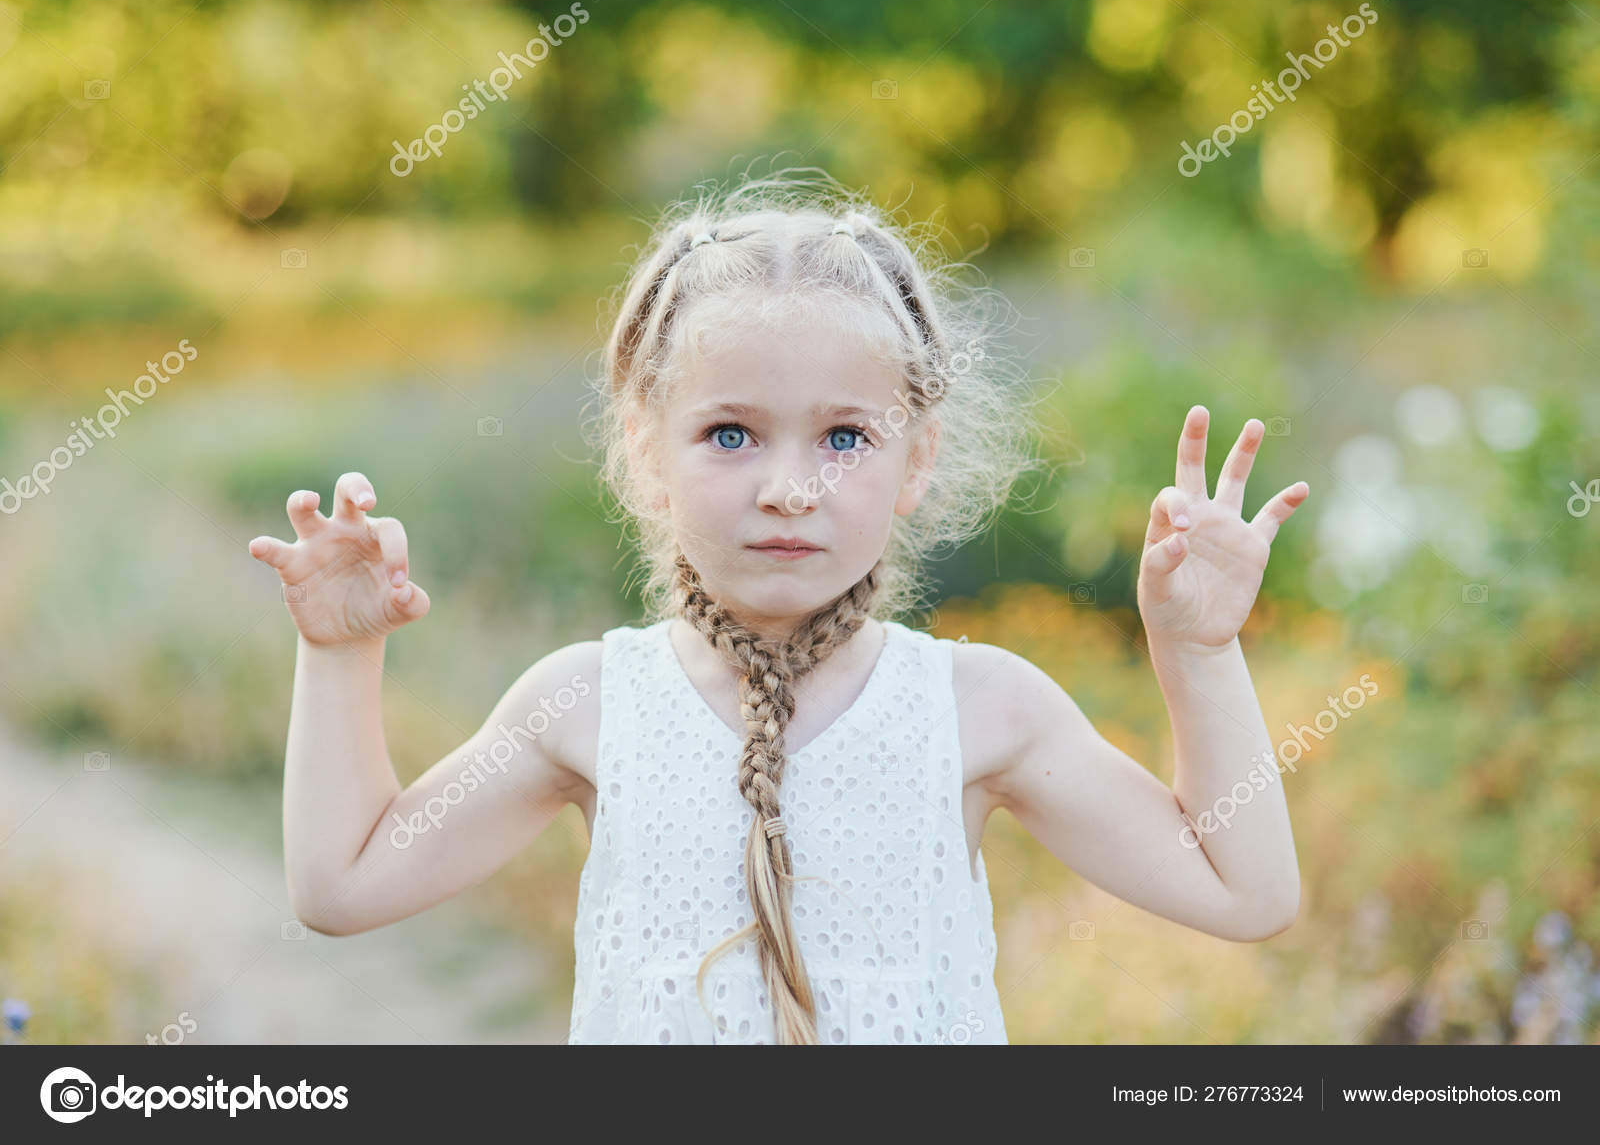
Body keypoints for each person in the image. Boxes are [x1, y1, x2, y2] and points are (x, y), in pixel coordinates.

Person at [248, 170, 1309, 1045]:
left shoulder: (983, 707)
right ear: (645, 449)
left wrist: (1199, 652)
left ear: (915, 459)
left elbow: (1243, 891)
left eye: (844, 436)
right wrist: (340, 655)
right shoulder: (585, 703)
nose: (788, 487)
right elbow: (342, 885)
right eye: (730, 434)